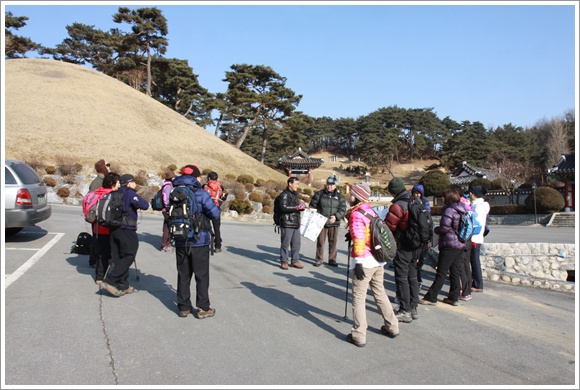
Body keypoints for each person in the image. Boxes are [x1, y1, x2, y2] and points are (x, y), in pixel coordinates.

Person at [345, 183, 399, 347]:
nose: (348, 196)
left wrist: (358, 262)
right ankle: (392, 326)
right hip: (378, 259)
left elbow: (360, 240)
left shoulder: (356, 214)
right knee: (380, 292)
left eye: (351, 194)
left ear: (356, 197)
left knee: (359, 298)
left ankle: (359, 334)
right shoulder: (370, 210)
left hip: (365, 261)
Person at [173, 164, 221, 318]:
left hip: (180, 238)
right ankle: (203, 308)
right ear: (196, 177)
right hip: (199, 240)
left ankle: (184, 307)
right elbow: (214, 214)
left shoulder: (174, 192)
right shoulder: (201, 193)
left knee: (183, 274)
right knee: (201, 275)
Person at [100, 174, 149, 297]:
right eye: (133, 182)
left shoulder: (113, 193)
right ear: (129, 183)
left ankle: (123, 284)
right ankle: (110, 280)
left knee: (118, 257)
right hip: (126, 229)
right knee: (129, 255)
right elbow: (145, 205)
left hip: (113, 228)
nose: (135, 184)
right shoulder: (129, 193)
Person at [419, 187, 468, 307]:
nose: (442, 199)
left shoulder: (449, 210)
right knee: (455, 272)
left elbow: (445, 228)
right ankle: (453, 297)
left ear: (448, 198)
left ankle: (431, 296)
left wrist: (436, 229)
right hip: (459, 244)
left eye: (444, 197)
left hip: (449, 244)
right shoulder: (462, 209)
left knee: (441, 271)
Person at [385, 177, 418, 323]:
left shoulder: (398, 205)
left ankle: (404, 309)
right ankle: (413, 307)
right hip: (416, 244)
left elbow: (388, 227)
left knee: (402, 277)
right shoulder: (414, 200)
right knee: (412, 276)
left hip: (403, 244)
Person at [309, 174, 347, 267]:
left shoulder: (340, 196)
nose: (329, 186)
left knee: (333, 242)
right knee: (321, 242)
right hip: (321, 222)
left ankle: (332, 260)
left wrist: (336, 216)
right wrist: (315, 216)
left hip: (334, 223)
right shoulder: (319, 194)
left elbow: (343, 209)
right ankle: (319, 259)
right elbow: (312, 206)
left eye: (332, 184)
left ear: (335, 185)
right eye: (328, 184)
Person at [92, 172, 120, 284]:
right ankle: (107, 276)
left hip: (97, 226)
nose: (119, 184)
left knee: (101, 252)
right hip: (108, 228)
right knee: (108, 252)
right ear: (112, 183)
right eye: (117, 182)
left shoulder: (97, 192)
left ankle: (99, 276)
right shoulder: (112, 195)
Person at [450, 185, 473, 301]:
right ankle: (467, 291)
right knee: (466, 265)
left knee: (460, 266)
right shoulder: (468, 205)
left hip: (461, 239)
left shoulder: (459, 206)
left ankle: (463, 291)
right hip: (468, 239)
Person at [278, 176, 306, 270]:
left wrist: (301, 207)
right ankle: (284, 261)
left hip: (295, 222)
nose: (297, 186)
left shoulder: (295, 194)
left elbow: (294, 206)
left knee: (296, 243)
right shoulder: (284, 195)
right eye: (296, 184)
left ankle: (295, 260)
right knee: (285, 243)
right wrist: (297, 208)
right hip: (287, 222)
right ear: (290, 184)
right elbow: (283, 207)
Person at [88, 159, 111, 267]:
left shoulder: (104, 180)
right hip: (97, 216)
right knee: (97, 239)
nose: (109, 167)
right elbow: (92, 200)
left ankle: (100, 258)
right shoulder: (97, 183)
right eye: (107, 165)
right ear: (103, 168)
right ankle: (94, 260)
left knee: (101, 239)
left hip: (102, 215)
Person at [469, 185, 490, 293]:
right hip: (477, 236)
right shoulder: (481, 205)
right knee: (474, 260)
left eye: (471, 192)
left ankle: (477, 284)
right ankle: (476, 282)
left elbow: (475, 222)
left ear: (474, 194)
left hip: (474, 237)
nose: (469, 195)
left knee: (474, 260)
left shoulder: (477, 206)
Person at [411, 183, 431, 291]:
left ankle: (418, 281)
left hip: (422, 237)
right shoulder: (410, 201)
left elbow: (427, 219)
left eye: (419, 193)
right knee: (414, 262)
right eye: (415, 193)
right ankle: (416, 281)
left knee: (419, 262)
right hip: (414, 237)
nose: (417, 195)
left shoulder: (425, 203)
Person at [203, 171, 226, 253]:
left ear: (209, 178)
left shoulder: (204, 186)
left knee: (205, 227)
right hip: (216, 208)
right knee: (217, 228)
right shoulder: (220, 187)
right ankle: (218, 246)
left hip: (206, 209)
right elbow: (223, 198)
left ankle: (205, 243)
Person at [160, 170, 176, 252]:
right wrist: (168, 207)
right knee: (168, 227)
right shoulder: (168, 186)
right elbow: (165, 198)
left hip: (165, 209)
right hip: (167, 209)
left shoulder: (166, 185)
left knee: (167, 226)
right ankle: (165, 245)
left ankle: (166, 243)